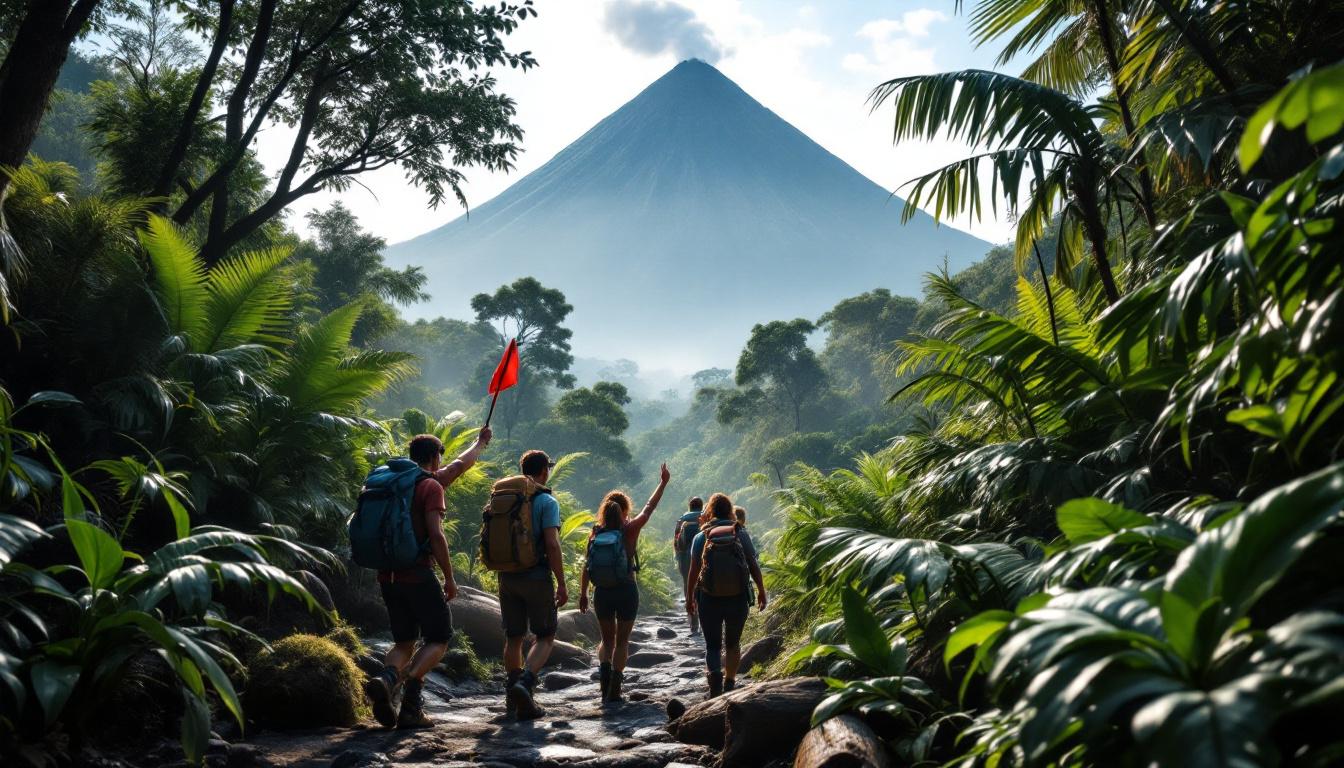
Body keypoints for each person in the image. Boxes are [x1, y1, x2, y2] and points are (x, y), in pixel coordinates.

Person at [363, 426, 492, 729]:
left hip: (387, 575)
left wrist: (478, 443)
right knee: (439, 637)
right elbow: (436, 534)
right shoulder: (430, 486)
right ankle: (402, 683)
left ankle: (393, 687)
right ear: (435, 457)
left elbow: (460, 464)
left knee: (404, 641)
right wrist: (449, 577)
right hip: (418, 574)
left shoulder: (389, 484)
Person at [579, 463, 671, 703]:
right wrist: (662, 483)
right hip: (627, 590)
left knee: (606, 641)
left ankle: (604, 682)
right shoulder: (630, 529)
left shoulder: (595, 534)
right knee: (622, 642)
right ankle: (616, 689)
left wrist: (582, 594)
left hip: (602, 593)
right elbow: (650, 508)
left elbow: (586, 566)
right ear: (624, 510)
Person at [499, 449, 567, 720]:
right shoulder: (546, 501)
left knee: (513, 637)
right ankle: (524, 684)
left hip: (506, 576)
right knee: (546, 636)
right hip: (536, 576)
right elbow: (551, 543)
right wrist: (561, 583)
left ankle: (511, 696)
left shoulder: (504, 498)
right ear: (544, 471)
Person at [686, 493, 766, 698]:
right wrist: (761, 591)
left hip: (708, 598)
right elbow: (753, 564)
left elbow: (693, 571)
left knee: (712, 645)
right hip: (737, 597)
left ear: (710, 511)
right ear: (730, 511)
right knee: (733, 643)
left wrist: (689, 598)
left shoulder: (701, 536)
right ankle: (730, 685)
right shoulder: (740, 533)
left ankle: (715, 685)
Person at [672, 496, 704, 635]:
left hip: (685, 559)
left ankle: (693, 624)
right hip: (703, 557)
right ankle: (705, 622)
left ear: (689, 506)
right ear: (701, 506)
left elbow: (676, 543)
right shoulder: (705, 517)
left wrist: (679, 559)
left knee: (688, 587)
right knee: (703, 587)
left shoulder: (682, 520)